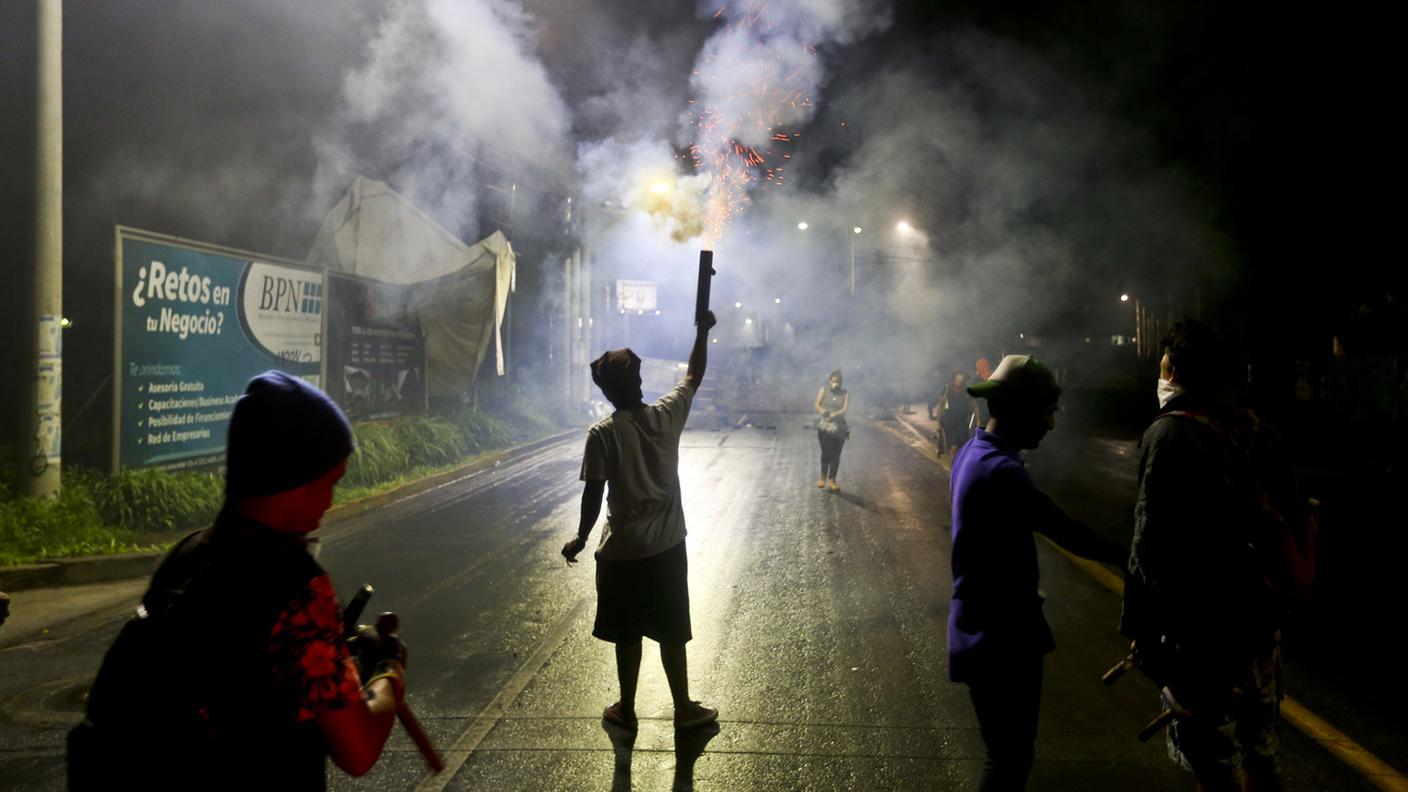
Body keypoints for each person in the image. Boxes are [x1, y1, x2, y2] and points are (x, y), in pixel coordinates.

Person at [70, 372, 407, 790]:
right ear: (297, 478)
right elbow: (356, 748)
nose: (331, 498)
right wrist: (388, 672)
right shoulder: (298, 589)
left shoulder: (186, 557)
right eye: (330, 481)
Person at [1121, 320, 1289, 792]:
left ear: (1175, 371)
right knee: (1261, 752)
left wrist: (1140, 626)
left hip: (1200, 629)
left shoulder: (1171, 434)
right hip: (1259, 622)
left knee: (1210, 756)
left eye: (1162, 365)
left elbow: (1149, 542)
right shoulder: (1255, 427)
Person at [947, 355, 1126, 791]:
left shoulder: (974, 452)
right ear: (1019, 409)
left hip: (980, 631)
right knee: (1008, 760)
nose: (1049, 424)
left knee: (1005, 755)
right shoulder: (1000, 472)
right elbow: (1066, 531)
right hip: (1001, 640)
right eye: (1045, 411)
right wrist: (1130, 558)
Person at [561, 311, 719, 733]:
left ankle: (626, 709)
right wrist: (702, 331)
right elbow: (693, 374)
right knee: (671, 630)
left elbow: (594, 491)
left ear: (607, 391)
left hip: (622, 553)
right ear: (639, 381)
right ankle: (683, 708)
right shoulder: (667, 415)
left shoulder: (602, 433)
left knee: (627, 635)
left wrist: (580, 537)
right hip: (667, 548)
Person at [814, 370, 850, 492]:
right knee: (826, 452)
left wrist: (835, 414)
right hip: (825, 426)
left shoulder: (845, 393)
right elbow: (817, 404)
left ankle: (832, 480)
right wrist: (822, 411)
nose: (836, 384)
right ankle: (823, 477)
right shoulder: (824, 390)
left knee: (836, 454)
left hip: (839, 427)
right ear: (830, 381)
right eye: (834, 381)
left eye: (838, 382)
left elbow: (845, 408)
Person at [939, 369, 973, 458]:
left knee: (963, 445)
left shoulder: (967, 389)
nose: (961, 376)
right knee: (953, 445)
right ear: (955, 376)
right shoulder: (946, 389)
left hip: (962, 421)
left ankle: (960, 464)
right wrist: (938, 424)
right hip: (949, 421)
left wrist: (977, 419)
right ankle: (954, 466)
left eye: (963, 374)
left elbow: (973, 404)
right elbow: (940, 406)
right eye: (959, 374)